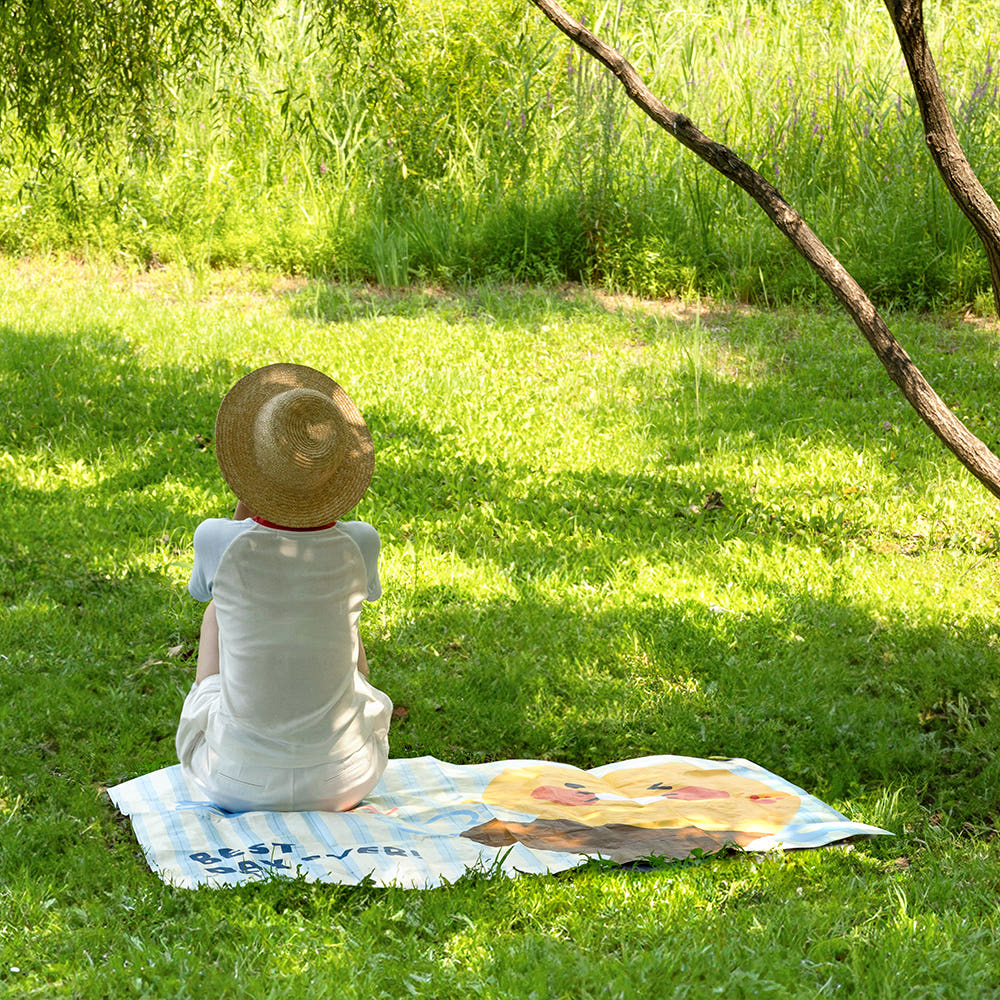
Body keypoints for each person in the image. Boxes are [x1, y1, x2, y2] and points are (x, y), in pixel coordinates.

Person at [175, 362, 392, 812]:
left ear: (252, 462)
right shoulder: (360, 541)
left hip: (234, 779)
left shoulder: (216, 539)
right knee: (344, 616)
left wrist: (250, 494)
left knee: (217, 610)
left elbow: (209, 589)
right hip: (347, 779)